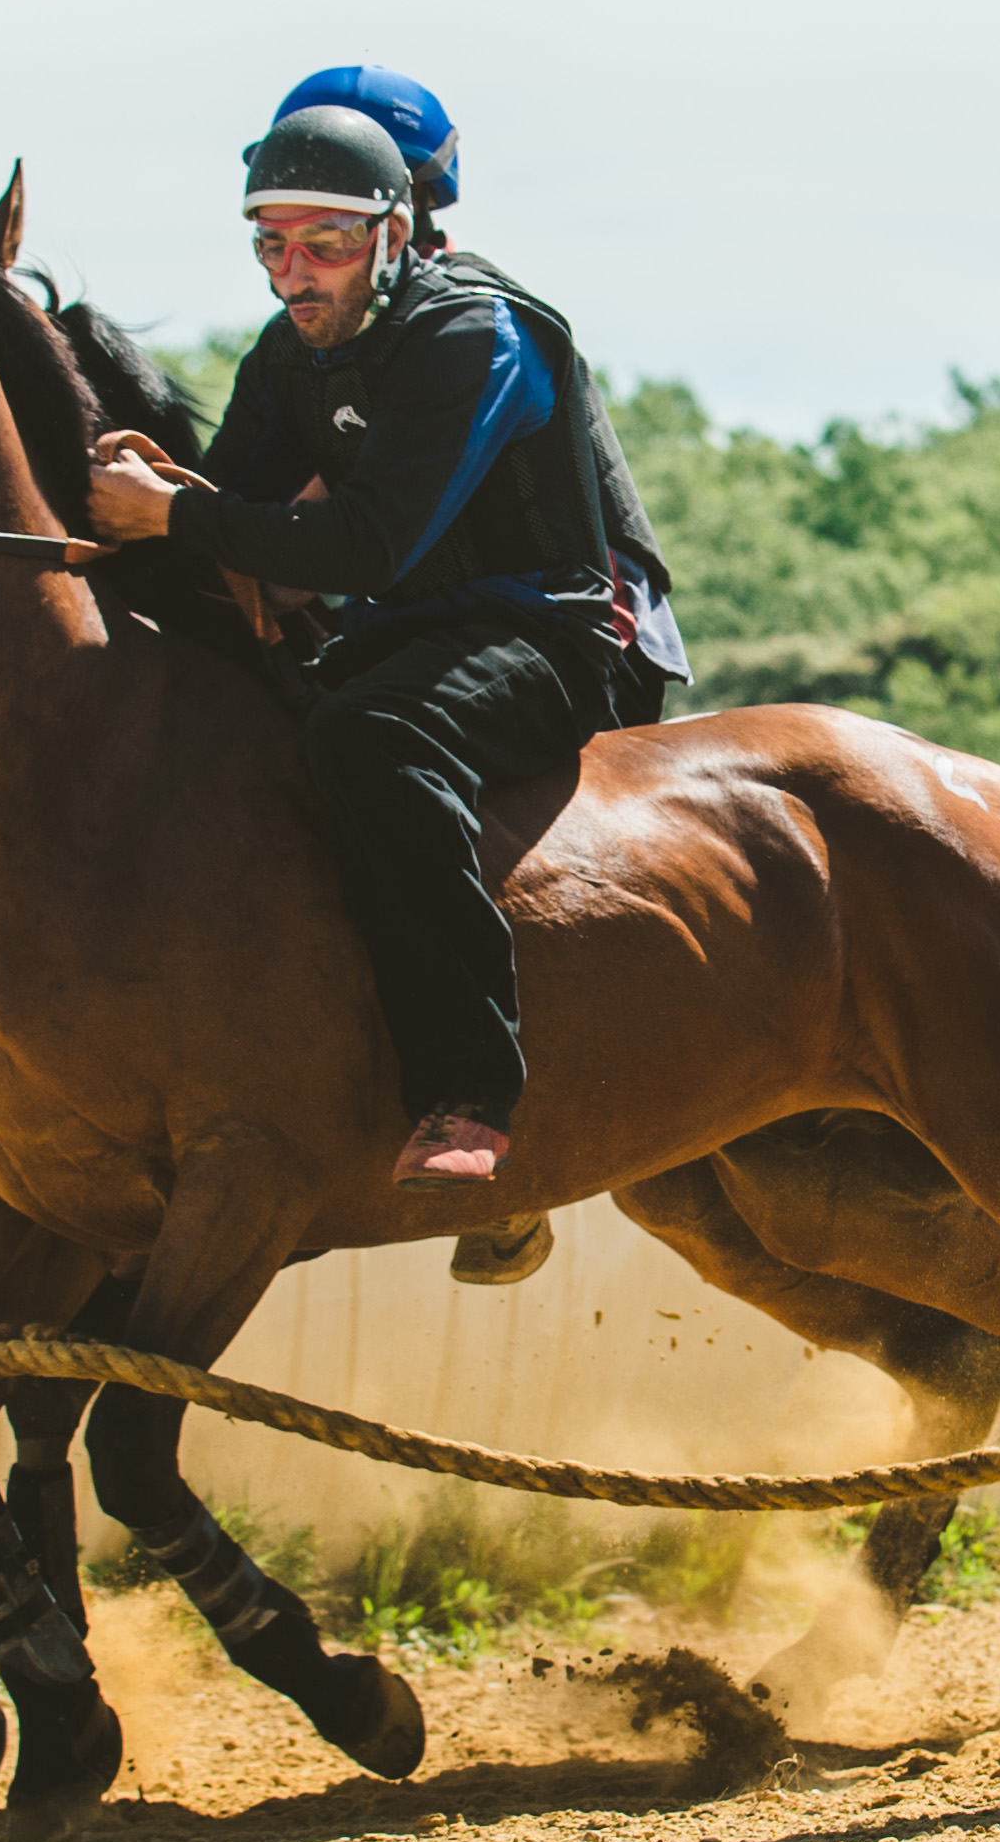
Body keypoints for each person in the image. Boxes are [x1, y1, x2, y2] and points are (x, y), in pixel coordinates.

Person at [76, 98, 686, 1185]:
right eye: (272, 245)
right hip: (402, 635)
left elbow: (373, 546)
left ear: (393, 236)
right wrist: (149, 497)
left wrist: (175, 513)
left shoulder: (474, 333)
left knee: (371, 738)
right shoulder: (283, 353)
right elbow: (234, 518)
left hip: (545, 637)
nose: (294, 272)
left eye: (327, 243)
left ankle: (472, 1096)